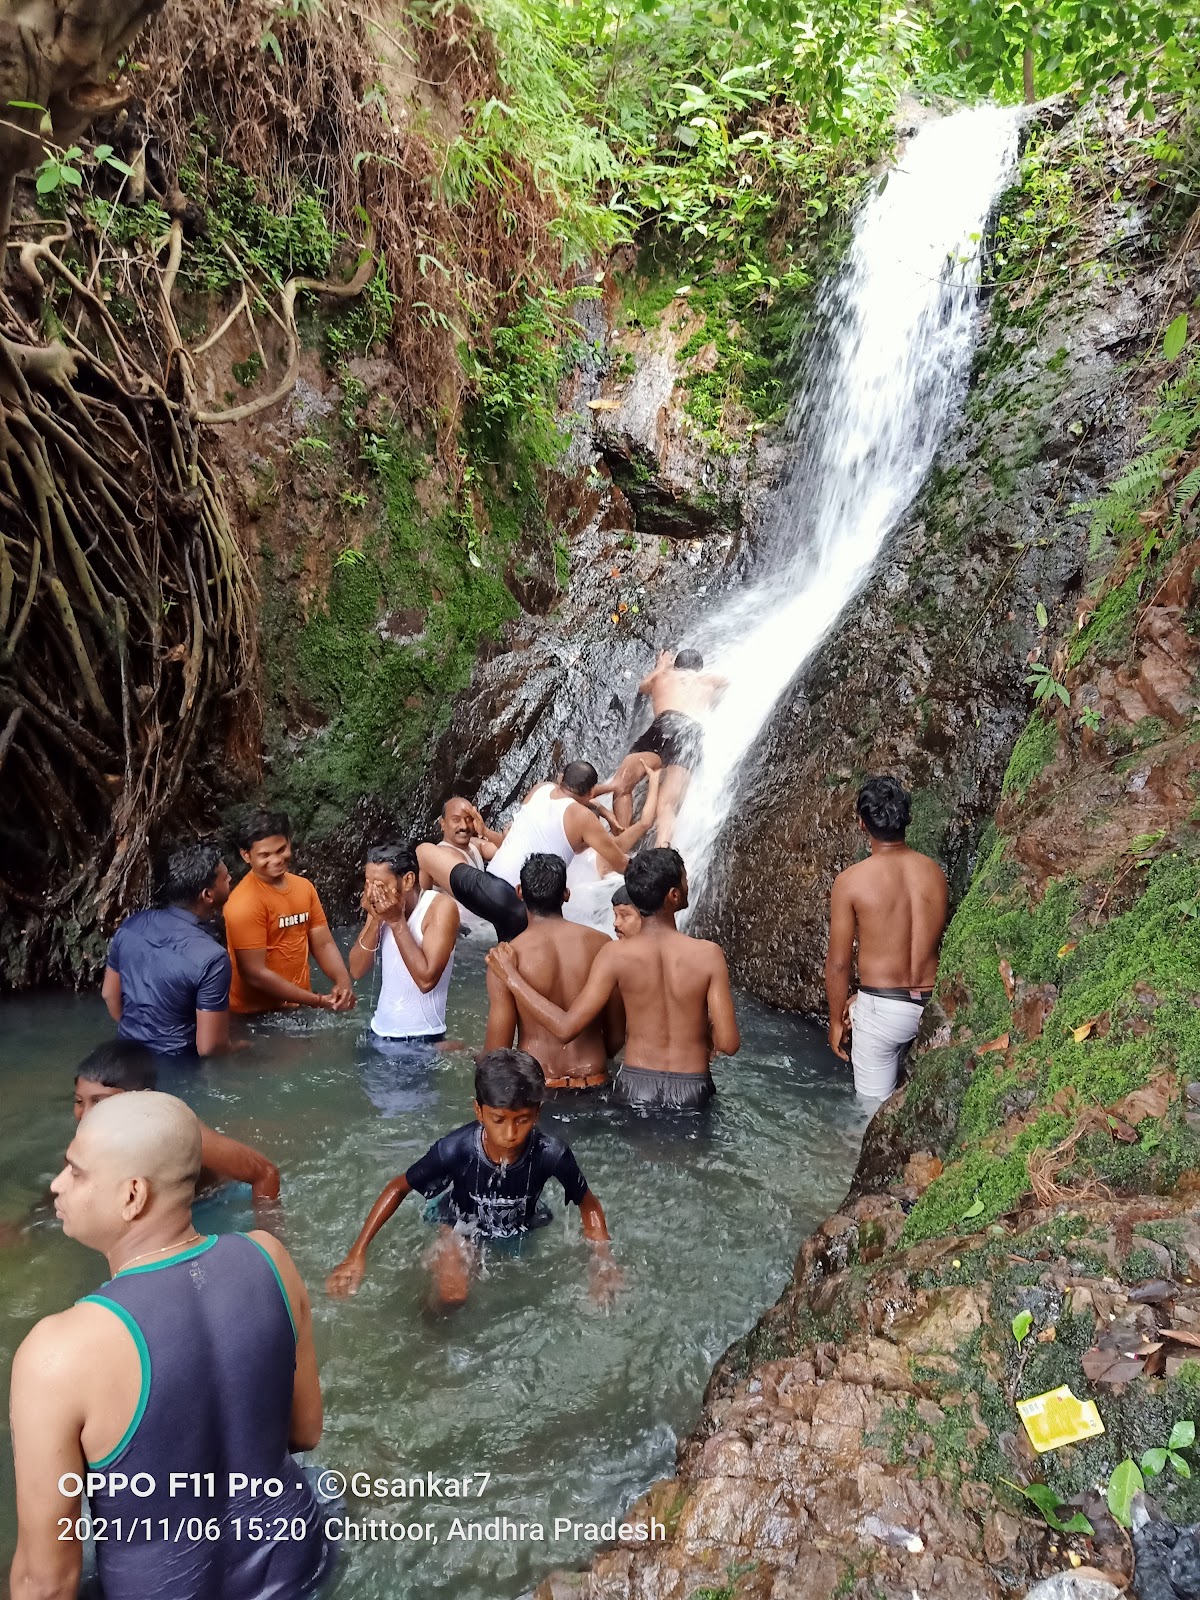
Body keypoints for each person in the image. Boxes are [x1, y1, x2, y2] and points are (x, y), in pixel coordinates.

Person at [8, 1092, 330, 1600]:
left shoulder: (58, 1353)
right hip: (297, 1568)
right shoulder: (271, 1259)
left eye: (76, 1171)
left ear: (132, 1195)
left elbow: (46, 1584)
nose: (56, 1184)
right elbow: (306, 1431)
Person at [326, 1049, 616, 1305]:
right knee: (453, 1297)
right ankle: (430, 1327)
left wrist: (603, 1262)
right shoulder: (455, 1149)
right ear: (479, 1111)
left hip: (520, 1225)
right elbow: (397, 1187)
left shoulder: (551, 1153)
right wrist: (356, 1253)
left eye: (523, 1120)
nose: (511, 1134)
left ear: (538, 1113)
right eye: (498, 1120)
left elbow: (588, 1204)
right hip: (459, 1222)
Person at [488, 847, 739, 1112]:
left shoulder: (615, 954)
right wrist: (705, 1034)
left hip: (634, 1085)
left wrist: (512, 977)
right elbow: (728, 1043)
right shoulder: (709, 954)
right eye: (685, 880)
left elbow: (565, 1028)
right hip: (691, 1085)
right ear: (673, 895)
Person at [416, 762, 659, 943]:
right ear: (589, 792)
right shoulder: (582, 817)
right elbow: (620, 863)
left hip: (488, 891)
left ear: (561, 778)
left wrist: (602, 806)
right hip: (528, 909)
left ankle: (420, 917)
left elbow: (575, 796)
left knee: (423, 852)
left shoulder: (540, 789)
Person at [825, 775, 950, 1100]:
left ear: (862, 824)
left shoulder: (851, 881)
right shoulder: (935, 873)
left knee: (871, 1111)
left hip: (882, 1012)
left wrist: (837, 1020)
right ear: (906, 818)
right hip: (932, 1005)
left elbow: (838, 964)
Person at [73, 1040, 280, 1208]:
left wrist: (269, 1242)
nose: (86, 1114)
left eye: (100, 1102)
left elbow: (265, 1173)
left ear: (144, 1098)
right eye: (79, 1101)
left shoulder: (179, 1133)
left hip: (211, 1202)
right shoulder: (90, 1140)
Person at [484, 855, 623, 1092]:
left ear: (519, 892)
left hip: (540, 1086)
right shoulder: (602, 944)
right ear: (566, 894)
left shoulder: (507, 958)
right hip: (596, 1081)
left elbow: (497, 1054)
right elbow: (616, 1036)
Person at [102, 843, 235, 1057]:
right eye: (225, 877)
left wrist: (141, 1036)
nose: (230, 880)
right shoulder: (213, 958)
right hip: (178, 1064)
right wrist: (241, 1049)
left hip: (127, 1057)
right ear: (208, 895)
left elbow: (109, 994)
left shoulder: (132, 925)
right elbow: (210, 1047)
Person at [224, 809, 356, 1016]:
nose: (276, 860)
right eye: (265, 855)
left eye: (281, 849)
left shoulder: (304, 888)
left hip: (300, 1003)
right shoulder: (243, 904)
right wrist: (319, 1001)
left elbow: (323, 943)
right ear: (246, 855)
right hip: (254, 1015)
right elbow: (255, 974)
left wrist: (343, 983)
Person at [599, 648, 727, 847]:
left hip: (666, 725)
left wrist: (661, 665)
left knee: (622, 785)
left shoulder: (664, 676)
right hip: (691, 732)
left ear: (676, 665)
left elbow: (643, 687)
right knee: (667, 806)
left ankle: (621, 842)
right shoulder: (707, 681)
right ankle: (662, 850)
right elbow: (726, 682)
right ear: (698, 669)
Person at [349, 841, 460, 1044]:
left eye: (381, 885)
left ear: (408, 880)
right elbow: (356, 970)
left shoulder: (440, 908)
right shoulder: (380, 905)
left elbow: (426, 980)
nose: (373, 892)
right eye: (368, 884)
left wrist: (396, 922)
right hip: (377, 1032)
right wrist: (375, 919)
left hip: (420, 1039)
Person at [420, 797, 495, 936]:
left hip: (484, 929)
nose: (464, 826)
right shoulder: (439, 855)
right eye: (456, 820)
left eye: (469, 819)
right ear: (442, 823)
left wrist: (485, 831)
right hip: (463, 935)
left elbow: (508, 851)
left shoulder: (475, 845)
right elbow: (421, 900)